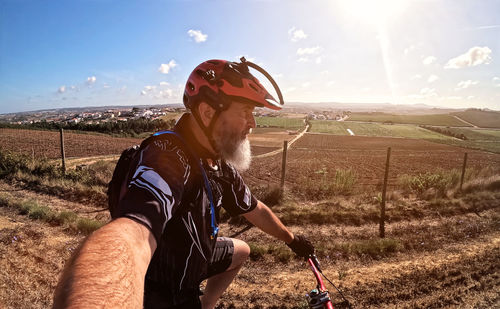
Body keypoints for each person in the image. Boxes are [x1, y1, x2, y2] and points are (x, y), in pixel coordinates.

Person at [53, 58, 315, 309]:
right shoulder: (168, 155)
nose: (253, 124)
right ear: (207, 111)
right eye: (246, 112)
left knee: (241, 250)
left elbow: (253, 208)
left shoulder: (217, 159)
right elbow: (133, 232)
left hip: (195, 258)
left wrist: (291, 240)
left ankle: (206, 304)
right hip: (164, 289)